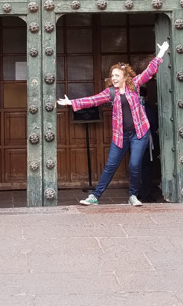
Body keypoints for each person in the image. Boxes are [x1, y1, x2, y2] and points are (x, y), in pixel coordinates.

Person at [57, 41, 169, 206]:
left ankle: (133, 196)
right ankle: (95, 196)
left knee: (134, 164)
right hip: (121, 135)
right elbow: (93, 100)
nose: (113, 78)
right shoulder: (110, 92)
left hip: (140, 134)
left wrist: (161, 53)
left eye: (117, 76)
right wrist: (71, 103)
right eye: (112, 76)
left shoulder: (135, 85)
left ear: (125, 77)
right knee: (110, 166)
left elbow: (149, 71)